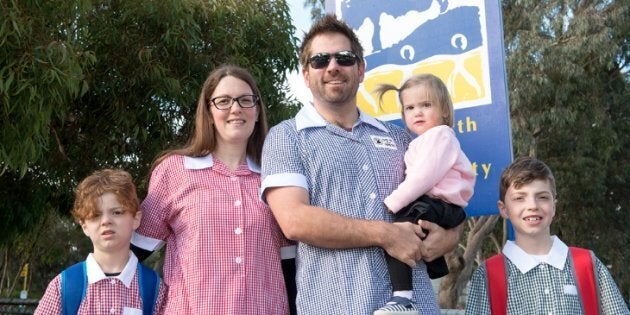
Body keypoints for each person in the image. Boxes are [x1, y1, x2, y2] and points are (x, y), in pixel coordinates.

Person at [261, 14, 463, 315]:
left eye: (344, 58)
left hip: (418, 306)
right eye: (319, 60)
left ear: (361, 69)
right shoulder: (286, 137)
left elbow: (445, 198)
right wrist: (385, 234)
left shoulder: (399, 137)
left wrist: (450, 236)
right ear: (306, 74)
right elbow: (294, 220)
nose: (332, 67)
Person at [130, 64, 291, 314]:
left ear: (257, 112)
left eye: (245, 100)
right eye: (223, 101)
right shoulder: (174, 171)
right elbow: (128, 254)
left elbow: (291, 266)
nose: (235, 108)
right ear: (208, 111)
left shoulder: (278, 178)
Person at [466, 157, 629, 314]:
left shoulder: (587, 264)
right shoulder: (488, 275)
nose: (532, 206)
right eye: (519, 198)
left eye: (542, 197)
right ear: (503, 209)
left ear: (554, 206)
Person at [371, 74, 475, 314]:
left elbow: (423, 177)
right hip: (436, 204)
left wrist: (393, 202)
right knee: (408, 231)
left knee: (397, 232)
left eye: (426, 105)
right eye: (410, 107)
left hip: (441, 204)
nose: (417, 112)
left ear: (445, 111)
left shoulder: (441, 136)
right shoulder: (422, 140)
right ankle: (425, 271)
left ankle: (404, 299)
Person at [35, 169, 166, 315]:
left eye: (117, 212)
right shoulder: (62, 287)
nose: (106, 221)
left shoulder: (155, 289)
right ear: (84, 226)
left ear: (135, 218)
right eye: (95, 215)